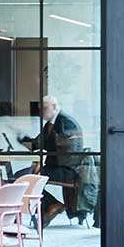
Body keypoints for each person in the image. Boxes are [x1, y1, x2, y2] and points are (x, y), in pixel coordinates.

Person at [27, 94, 87, 224]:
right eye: (40, 109)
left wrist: (40, 166)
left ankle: (53, 205)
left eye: (44, 108)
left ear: (54, 107)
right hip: (57, 167)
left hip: (68, 170)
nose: (41, 112)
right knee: (26, 176)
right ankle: (50, 207)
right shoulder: (51, 124)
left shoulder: (67, 122)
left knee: (30, 178)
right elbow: (38, 143)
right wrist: (22, 138)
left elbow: (69, 154)